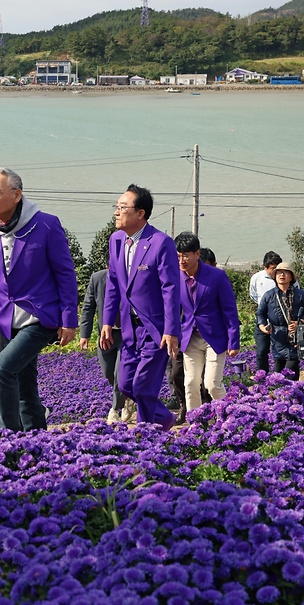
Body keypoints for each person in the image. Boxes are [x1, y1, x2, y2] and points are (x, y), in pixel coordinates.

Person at [0, 167, 79, 432]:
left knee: (2, 369)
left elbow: (65, 274)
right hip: (7, 320)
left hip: (40, 317)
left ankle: (7, 436)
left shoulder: (46, 224)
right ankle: (37, 439)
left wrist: (69, 320)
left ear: (16, 195)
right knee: (25, 384)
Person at [100, 185, 180, 432]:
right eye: (117, 207)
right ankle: (164, 420)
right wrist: (106, 321)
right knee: (125, 385)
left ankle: (147, 437)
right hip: (128, 328)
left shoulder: (160, 242)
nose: (117, 212)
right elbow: (113, 283)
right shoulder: (116, 241)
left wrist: (171, 330)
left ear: (140, 214)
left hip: (155, 329)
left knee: (144, 387)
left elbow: (170, 289)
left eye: (123, 208)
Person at [175, 232, 241, 423]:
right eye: (178, 255)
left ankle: (231, 417)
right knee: (190, 383)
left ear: (197, 254)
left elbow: (229, 310)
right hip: (190, 338)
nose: (181, 260)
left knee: (211, 384)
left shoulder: (217, 276)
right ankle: (197, 422)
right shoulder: (175, 277)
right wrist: (171, 335)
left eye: (186, 255)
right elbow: (171, 309)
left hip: (214, 338)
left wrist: (233, 340)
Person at [79, 266, 130, 425]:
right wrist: (84, 334)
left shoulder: (131, 276)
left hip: (127, 335)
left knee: (119, 375)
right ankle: (127, 396)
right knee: (109, 372)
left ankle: (114, 410)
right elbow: (88, 307)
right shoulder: (97, 278)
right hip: (105, 335)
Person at [256, 261, 304, 380]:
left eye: (285, 272)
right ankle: (290, 395)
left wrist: (299, 323)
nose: (282, 275)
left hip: (296, 337)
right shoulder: (269, 295)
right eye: (278, 273)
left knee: (289, 371)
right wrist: (263, 326)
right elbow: (260, 314)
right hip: (277, 337)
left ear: (291, 276)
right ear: (275, 277)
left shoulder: (301, 294)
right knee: (279, 369)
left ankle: (291, 394)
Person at [249, 251, 282, 372]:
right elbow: (253, 295)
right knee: (261, 351)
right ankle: (262, 377)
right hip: (263, 321)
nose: (276, 271)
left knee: (280, 352)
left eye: (277, 268)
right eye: (273, 268)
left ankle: (280, 378)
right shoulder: (257, 278)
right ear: (265, 267)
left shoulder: (285, 277)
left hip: (280, 323)